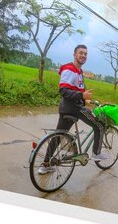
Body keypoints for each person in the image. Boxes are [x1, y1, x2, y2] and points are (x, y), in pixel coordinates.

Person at [38, 44, 110, 174]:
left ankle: (45, 164)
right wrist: (81, 96)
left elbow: (76, 90)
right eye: (81, 53)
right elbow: (64, 90)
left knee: (58, 136)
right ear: (74, 54)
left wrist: (85, 99)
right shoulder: (69, 69)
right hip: (74, 108)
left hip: (68, 107)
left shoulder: (79, 72)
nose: (83, 56)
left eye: (85, 54)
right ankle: (97, 153)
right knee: (100, 125)